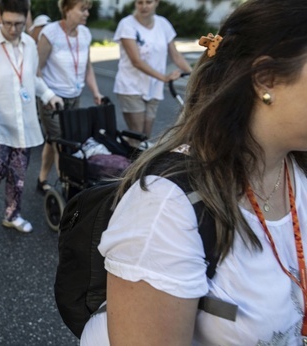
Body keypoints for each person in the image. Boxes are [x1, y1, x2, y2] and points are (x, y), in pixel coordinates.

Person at [79, 0, 307, 344]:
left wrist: (183, 69)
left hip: (156, 88)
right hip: (134, 87)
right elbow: (138, 59)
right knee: (137, 132)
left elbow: (176, 51)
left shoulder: (296, 169)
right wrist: (163, 75)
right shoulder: (164, 209)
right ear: (266, 78)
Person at [0, 0, 62, 233]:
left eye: (19, 24)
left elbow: (31, 78)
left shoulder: (30, 44)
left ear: (26, 19)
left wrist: (48, 94)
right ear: (0, 16)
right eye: (8, 23)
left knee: (18, 173)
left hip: (24, 122)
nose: (13, 29)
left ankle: (12, 215)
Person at [35, 0, 103, 194]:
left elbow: (87, 66)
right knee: (64, 145)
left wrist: (96, 92)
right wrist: (48, 95)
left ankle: (41, 180)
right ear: (67, 9)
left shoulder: (85, 34)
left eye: (88, 9)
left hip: (74, 97)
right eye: (82, 9)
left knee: (53, 140)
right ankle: (67, 190)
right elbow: (36, 69)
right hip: (53, 100)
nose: (87, 13)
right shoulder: (50, 33)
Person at [113, 0, 191, 146]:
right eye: (139, 2)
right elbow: (136, 61)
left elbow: (175, 55)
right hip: (131, 86)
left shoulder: (163, 24)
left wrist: (194, 74)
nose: (144, 6)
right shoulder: (127, 25)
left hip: (153, 87)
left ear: (156, 3)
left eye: (148, 2)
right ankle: (129, 165)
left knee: (145, 136)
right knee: (137, 135)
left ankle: (126, 157)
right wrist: (164, 77)